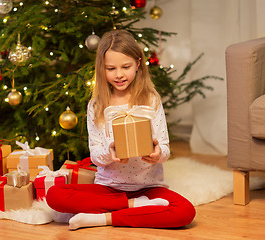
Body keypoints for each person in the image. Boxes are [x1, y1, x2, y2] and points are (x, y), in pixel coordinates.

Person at [46, 29, 196, 230]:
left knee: (184, 212)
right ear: (102, 68)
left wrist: (158, 153)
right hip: (109, 188)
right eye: (111, 68)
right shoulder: (97, 105)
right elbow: (96, 156)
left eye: (126, 66)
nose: (119, 75)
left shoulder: (151, 99)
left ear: (138, 64)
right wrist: (110, 153)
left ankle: (103, 219)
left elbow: (165, 149)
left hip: (149, 188)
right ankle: (133, 207)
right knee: (55, 196)